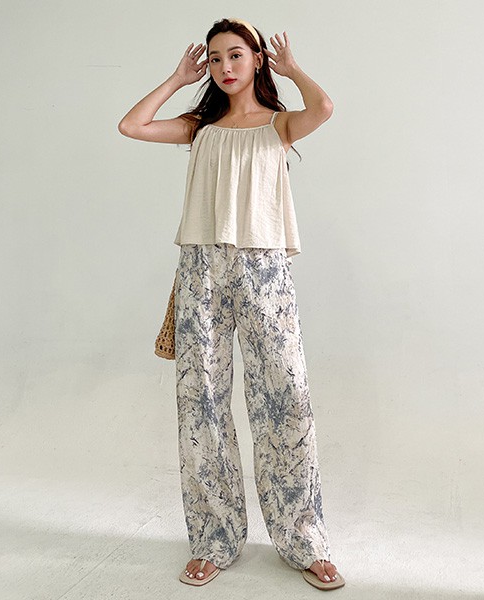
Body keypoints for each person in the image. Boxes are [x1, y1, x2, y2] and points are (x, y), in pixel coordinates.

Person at [118, 17, 344, 591]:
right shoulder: (200, 127)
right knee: (202, 406)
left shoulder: (278, 124)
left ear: (257, 60)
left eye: (235, 54)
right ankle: (213, 540)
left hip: (265, 270)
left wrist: (293, 70)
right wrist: (177, 79)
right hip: (201, 269)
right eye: (215, 58)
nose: (224, 66)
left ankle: (305, 542)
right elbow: (131, 125)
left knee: (286, 401)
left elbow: (323, 108)